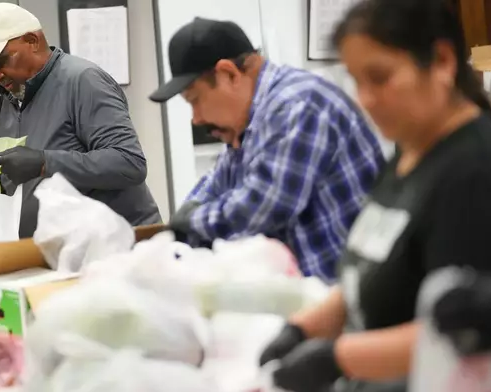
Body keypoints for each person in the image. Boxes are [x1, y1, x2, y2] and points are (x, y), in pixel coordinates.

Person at [258, 0, 491, 391]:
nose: (366, 99)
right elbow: (376, 266)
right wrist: (302, 329)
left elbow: (464, 333)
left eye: (380, 77)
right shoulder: (409, 151)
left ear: (441, 61)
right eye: (358, 81)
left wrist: (338, 357)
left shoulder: (474, 173)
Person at [150, 17, 385, 283]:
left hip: (350, 296)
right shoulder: (248, 124)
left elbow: (259, 210)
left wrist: (191, 220)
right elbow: (214, 187)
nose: (196, 118)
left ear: (229, 74)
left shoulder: (298, 104)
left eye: (195, 100)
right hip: (309, 295)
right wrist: (186, 220)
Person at [0, 3, 161, 237]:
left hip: (116, 247)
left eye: (3, 60)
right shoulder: (0, 100)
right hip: (50, 254)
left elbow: (129, 163)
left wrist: (44, 163)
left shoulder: (83, 81)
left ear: (32, 41)